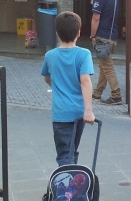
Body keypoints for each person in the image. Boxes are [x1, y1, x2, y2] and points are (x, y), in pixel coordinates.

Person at [41, 11, 96, 166]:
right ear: (79, 32)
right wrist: (88, 110)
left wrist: (58, 86)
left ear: (57, 33)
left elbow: (46, 77)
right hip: (79, 111)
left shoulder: (50, 55)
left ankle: (67, 187)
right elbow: (85, 81)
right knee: (72, 151)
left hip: (60, 113)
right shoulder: (84, 54)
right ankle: (71, 186)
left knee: (65, 153)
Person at [90, 0, 122, 105]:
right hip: (113, 36)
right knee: (104, 64)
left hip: (103, 36)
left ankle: (116, 95)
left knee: (107, 66)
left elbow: (96, 18)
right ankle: (98, 92)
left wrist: (92, 35)